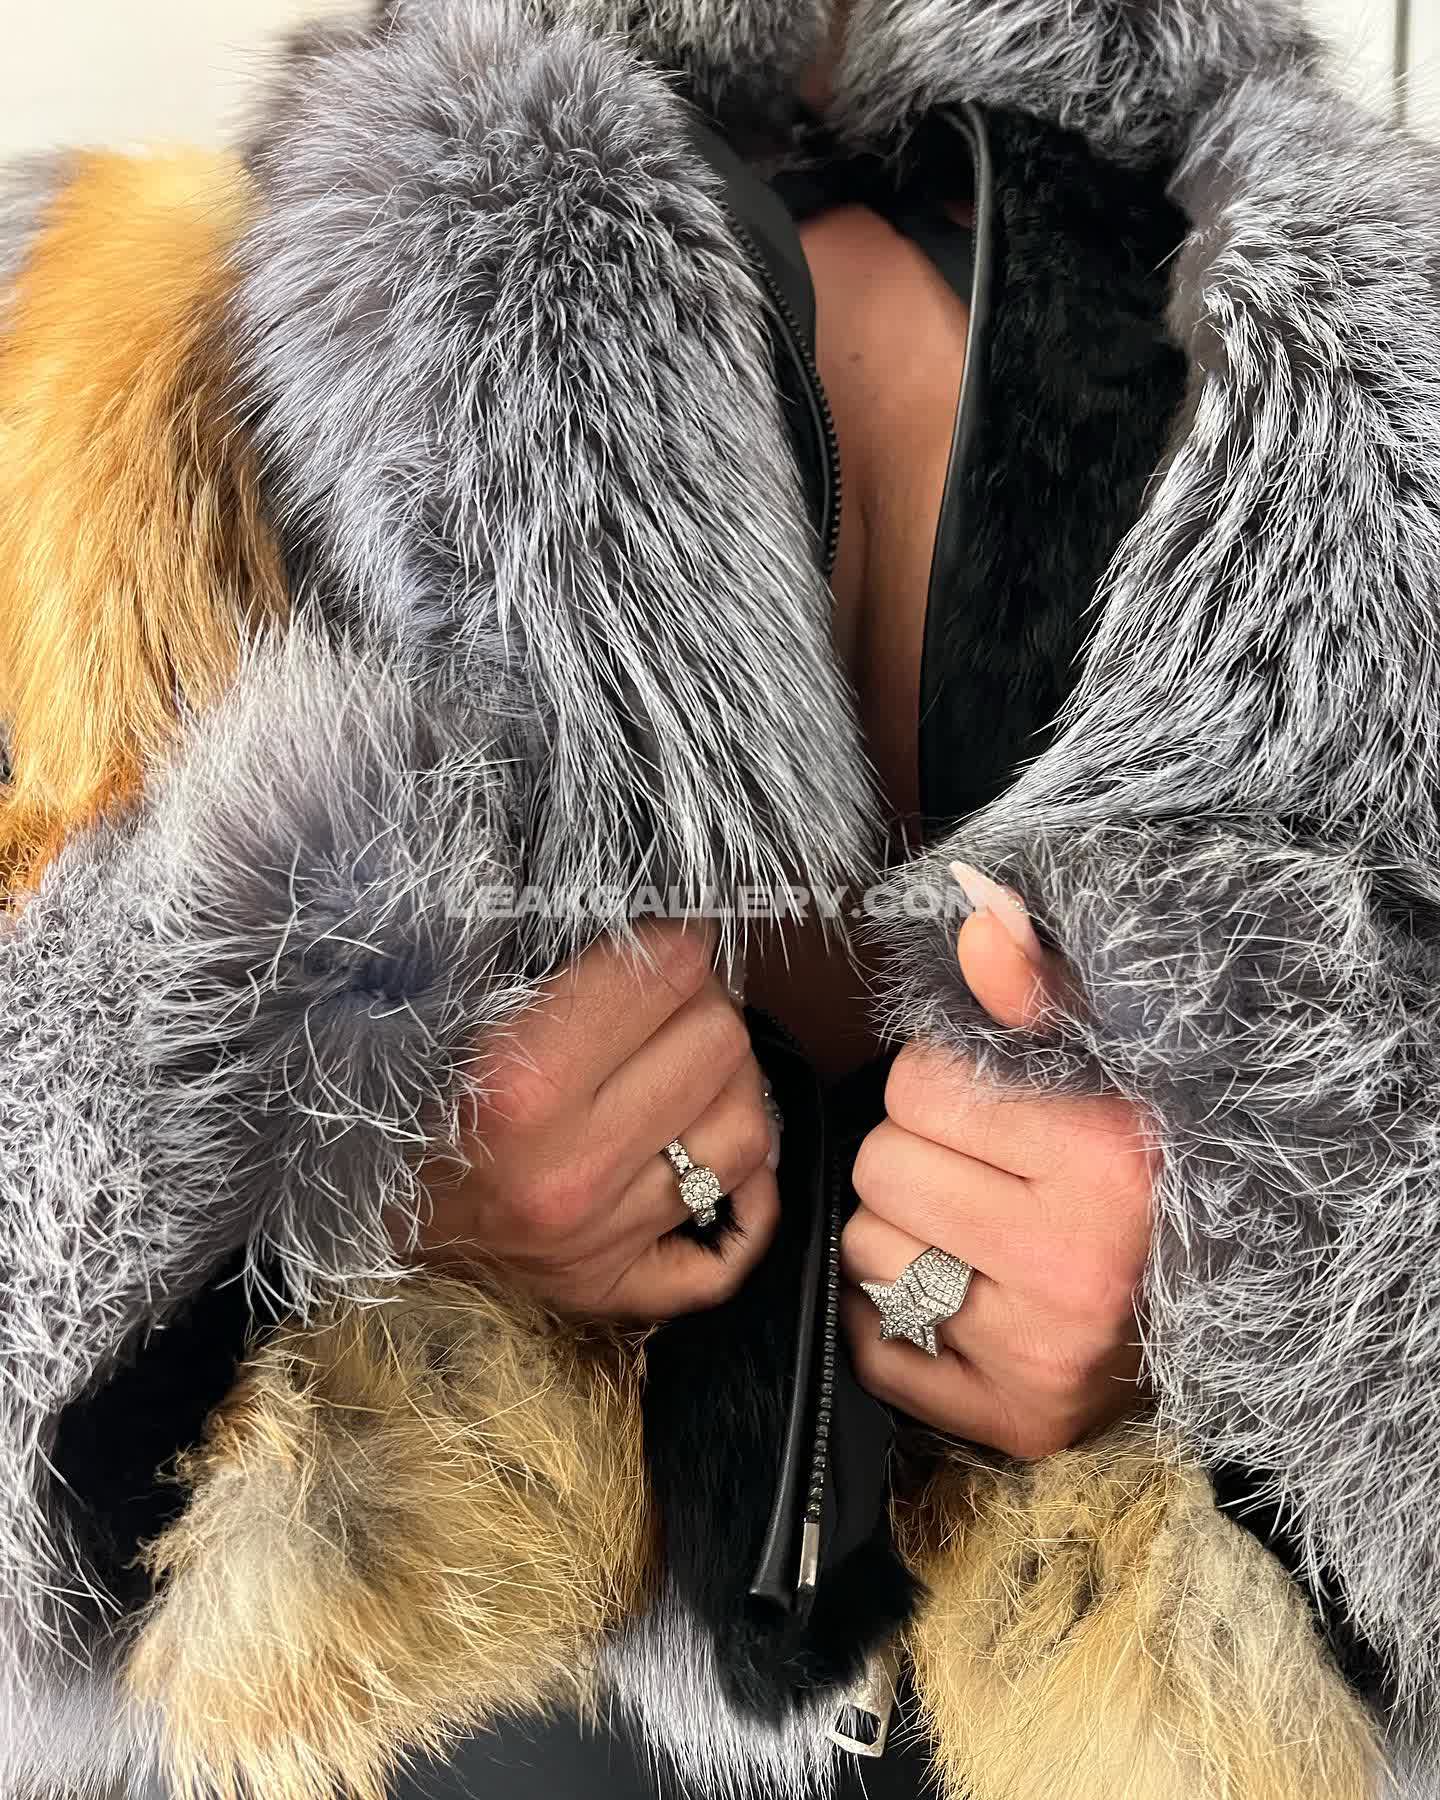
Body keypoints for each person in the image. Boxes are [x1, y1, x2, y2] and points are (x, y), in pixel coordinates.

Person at [0, 2, 1434, 1797]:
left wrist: (1261, 1284)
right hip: (442, 1721)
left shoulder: (1382, 368)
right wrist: (345, 1173)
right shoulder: (111, 337)